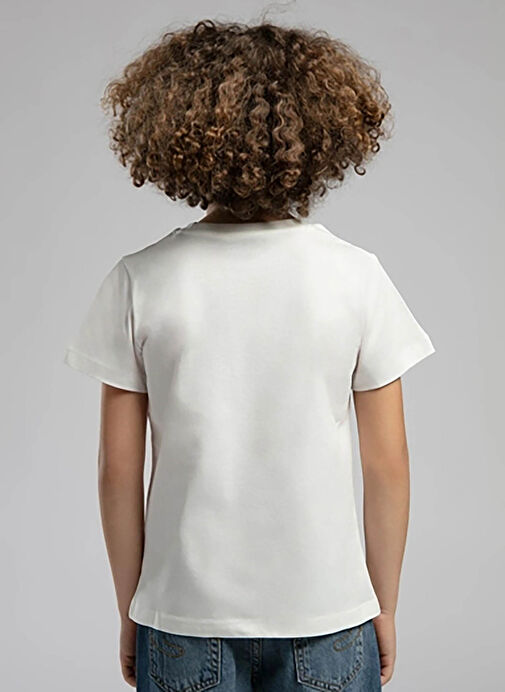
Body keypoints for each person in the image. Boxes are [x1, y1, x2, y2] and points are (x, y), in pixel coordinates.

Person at [63, 19, 436, 691]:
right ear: (321, 137)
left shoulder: (140, 280)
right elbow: (388, 466)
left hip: (182, 618)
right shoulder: (356, 277)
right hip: (329, 616)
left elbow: (116, 471)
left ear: (176, 136)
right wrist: (383, 605)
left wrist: (133, 611)